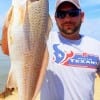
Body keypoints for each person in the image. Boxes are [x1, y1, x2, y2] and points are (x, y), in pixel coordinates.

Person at [40, 0, 100, 100]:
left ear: (82, 16)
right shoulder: (44, 41)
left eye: (73, 13)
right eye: (61, 14)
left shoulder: (96, 46)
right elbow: (9, 48)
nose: (67, 19)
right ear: (55, 18)